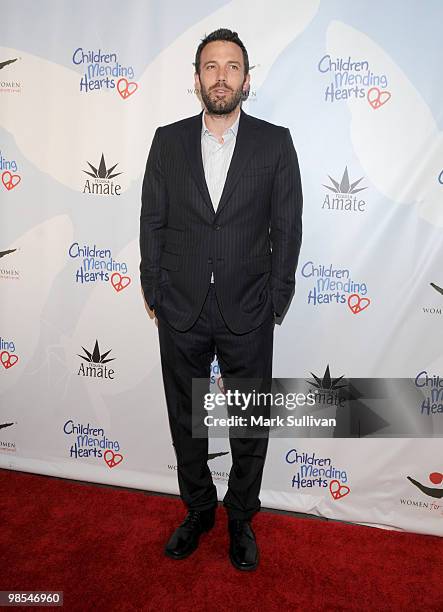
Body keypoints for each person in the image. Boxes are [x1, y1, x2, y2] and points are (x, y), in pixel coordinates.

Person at [139, 28, 303, 571]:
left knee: (248, 422)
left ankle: (240, 517)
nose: (221, 77)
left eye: (232, 67)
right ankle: (199, 509)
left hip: (248, 308)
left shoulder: (274, 143)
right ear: (196, 79)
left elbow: (287, 226)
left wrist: (277, 297)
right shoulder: (167, 141)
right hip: (181, 308)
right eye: (211, 67)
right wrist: (154, 289)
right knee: (188, 417)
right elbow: (153, 222)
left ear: (246, 80)